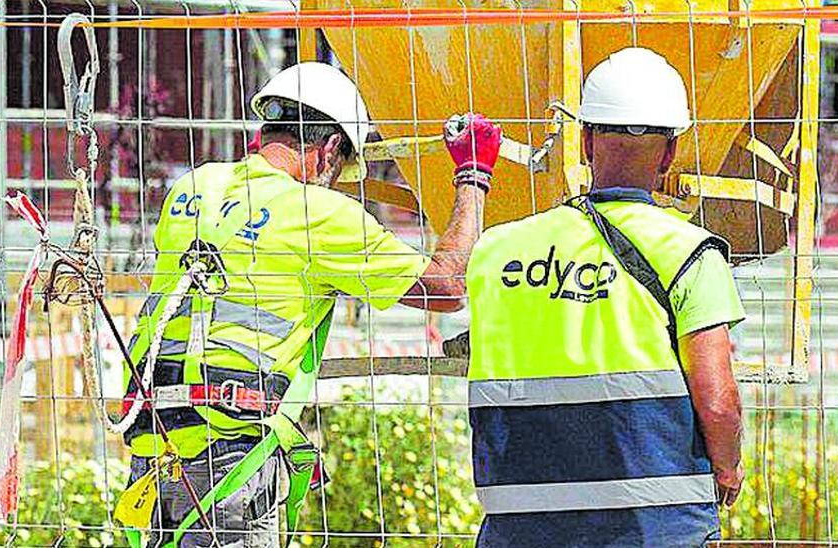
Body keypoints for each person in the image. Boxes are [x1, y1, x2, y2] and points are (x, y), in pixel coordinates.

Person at [116, 61, 502, 547]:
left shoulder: (194, 188)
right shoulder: (319, 213)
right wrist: (472, 173)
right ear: (329, 150)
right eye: (339, 168)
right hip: (231, 455)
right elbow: (445, 287)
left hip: (155, 447)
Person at [463, 47, 745, 547]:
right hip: (652, 526)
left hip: (523, 523)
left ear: (587, 140)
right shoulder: (688, 253)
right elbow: (718, 400)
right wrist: (727, 469)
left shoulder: (496, 252)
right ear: (671, 150)